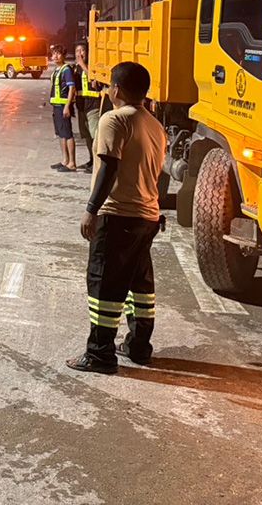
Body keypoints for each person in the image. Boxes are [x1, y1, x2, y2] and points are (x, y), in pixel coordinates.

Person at [67, 60, 167, 375]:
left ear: (116, 89)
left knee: (104, 284)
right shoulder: (154, 124)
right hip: (147, 215)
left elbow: (109, 167)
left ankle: (99, 354)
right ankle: (139, 346)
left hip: (118, 214)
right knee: (139, 284)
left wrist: (91, 209)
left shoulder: (114, 120)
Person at [74, 43, 103, 173]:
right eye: (77, 51)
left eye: (83, 51)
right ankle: (91, 159)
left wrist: (83, 65)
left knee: (95, 135)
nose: (80, 53)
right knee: (86, 136)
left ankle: (98, 164)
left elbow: (95, 81)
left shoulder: (92, 66)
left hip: (93, 105)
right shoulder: (75, 68)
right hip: (81, 107)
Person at [48, 47, 78, 173]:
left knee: (68, 134)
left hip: (63, 106)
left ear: (63, 55)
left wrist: (67, 106)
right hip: (57, 106)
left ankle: (72, 163)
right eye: (53, 54)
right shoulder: (57, 70)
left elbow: (71, 89)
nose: (55, 56)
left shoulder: (66, 70)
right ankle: (65, 160)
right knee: (61, 134)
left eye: (58, 54)